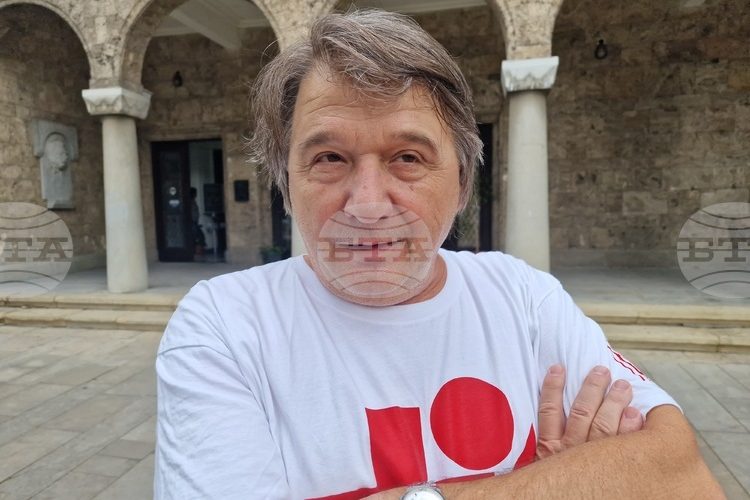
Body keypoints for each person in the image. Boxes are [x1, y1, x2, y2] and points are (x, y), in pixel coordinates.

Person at [154, 9, 723, 500]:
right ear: (286, 183)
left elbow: (683, 477)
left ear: (462, 183)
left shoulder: (523, 296)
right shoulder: (225, 325)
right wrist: (563, 481)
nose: (368, 205)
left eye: (407, 157)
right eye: (329, 158)